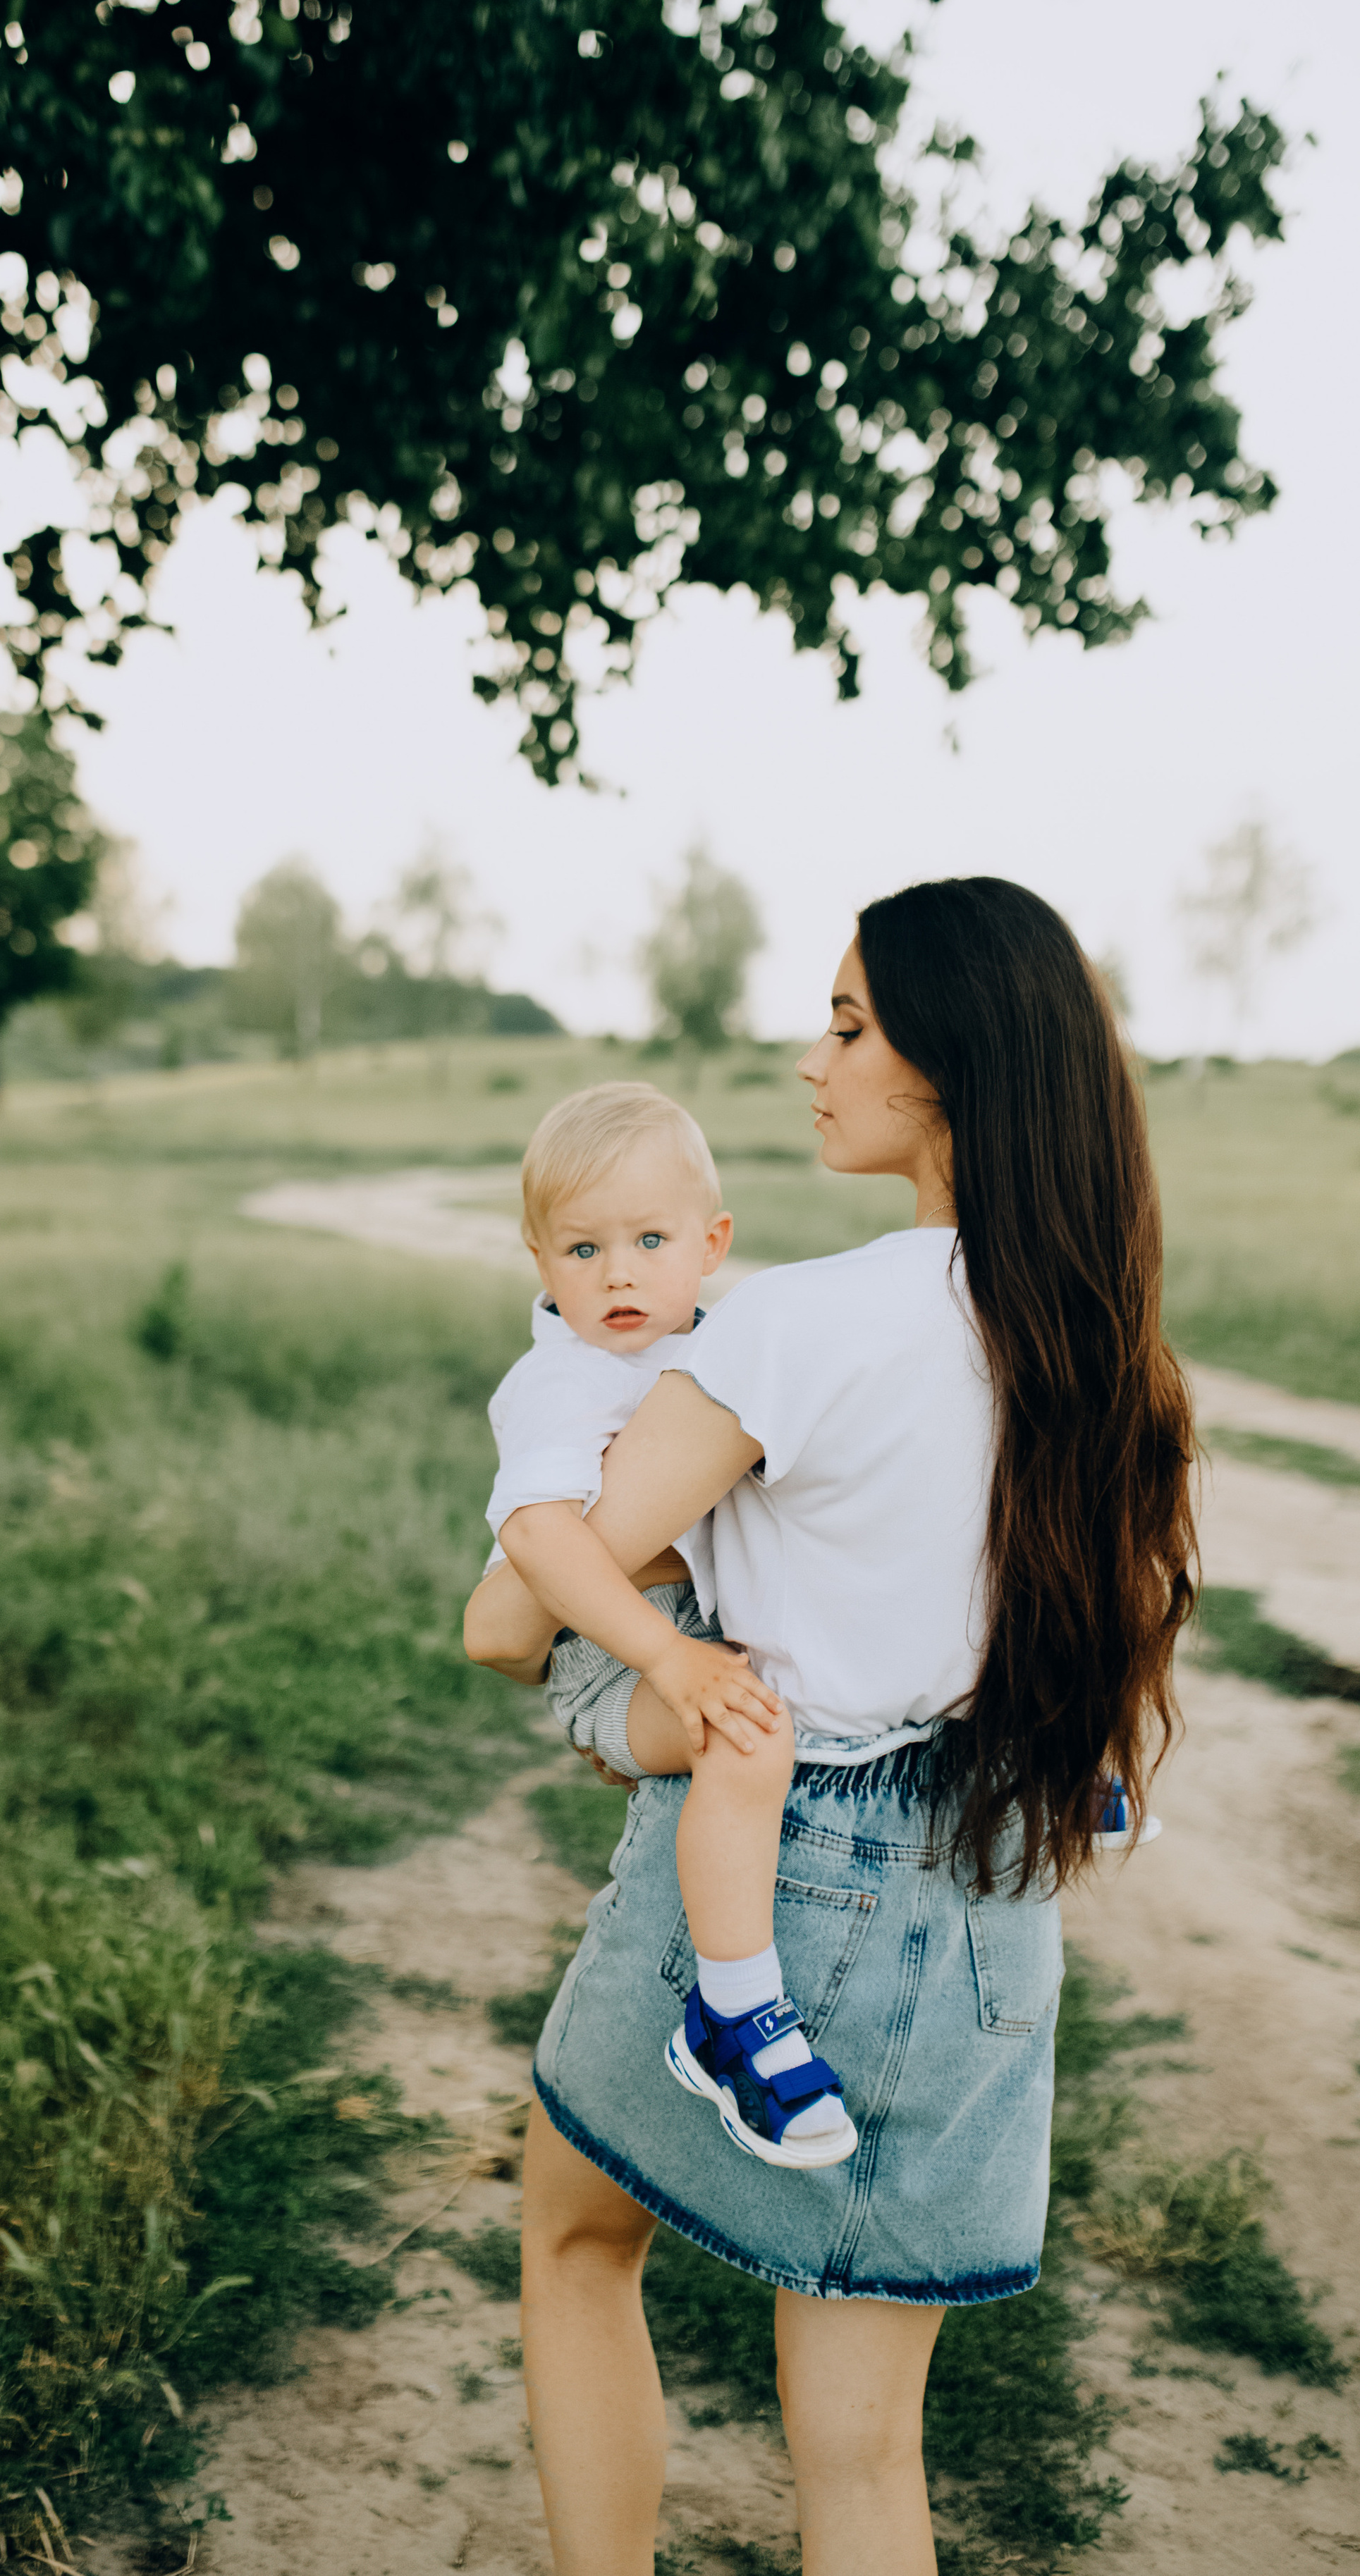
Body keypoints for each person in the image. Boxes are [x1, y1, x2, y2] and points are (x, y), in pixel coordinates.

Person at [465, 880, 1197, 2576]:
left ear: (947, 1062)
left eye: (850, 1026)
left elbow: (509, 1619)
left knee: (578, 2250)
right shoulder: (1097, 1338)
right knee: (864, 2454)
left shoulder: (800, 1324)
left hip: (787, 1866)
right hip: (987, 1896)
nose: (812, 1062)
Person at [465, 1083, 855, 2167]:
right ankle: (735, 2013)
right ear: (541, 1261)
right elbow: (542, 1544)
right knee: (745, 1728)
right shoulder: (565, 1382)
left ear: (712, 1242)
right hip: (612, 1656)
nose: (620, 1273)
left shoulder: (726, 1345)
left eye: (649, 1239)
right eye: (583, 1249)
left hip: (688, 1636)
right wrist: (667, 1659)